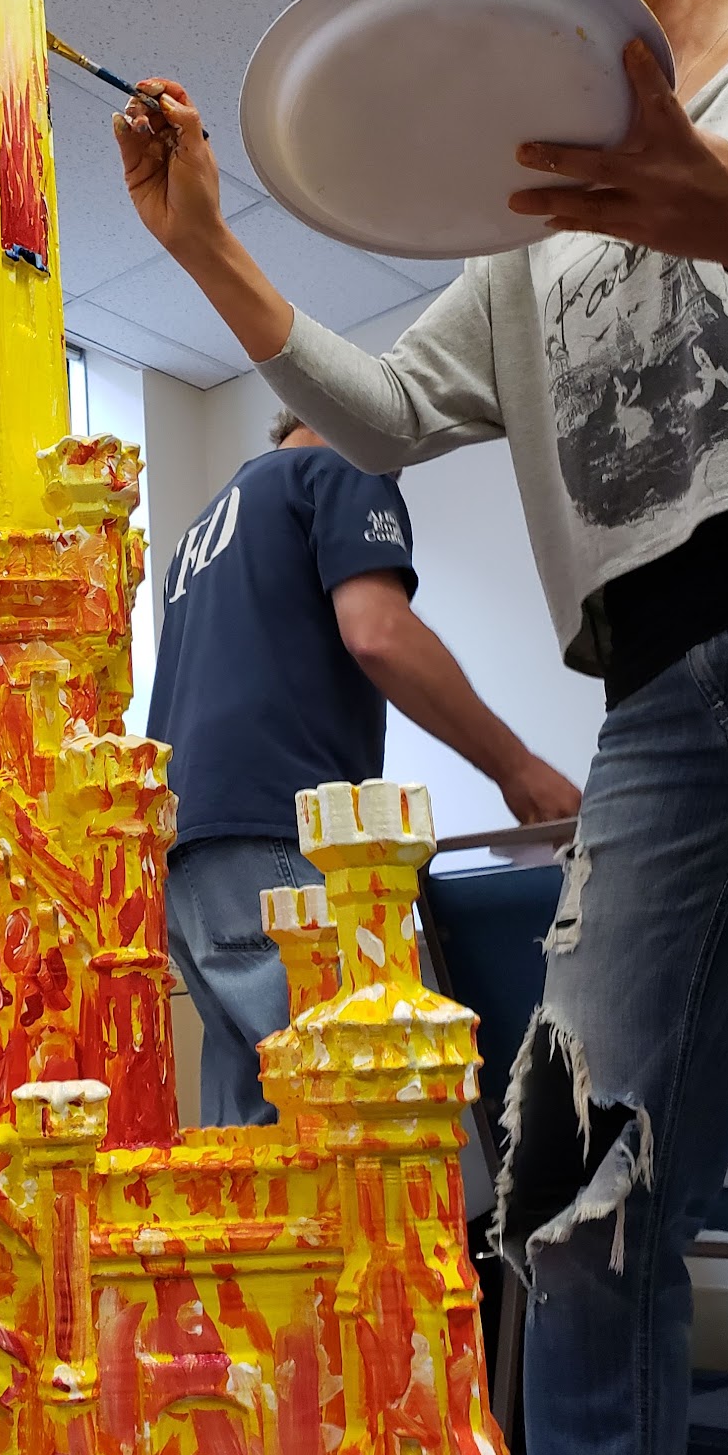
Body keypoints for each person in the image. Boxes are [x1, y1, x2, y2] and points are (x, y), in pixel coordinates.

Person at [113, 0, 728, 1455]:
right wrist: (206, 243)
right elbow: (375, 409)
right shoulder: (543, 211)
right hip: (655, 693)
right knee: (572, 1195)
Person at [152, 406, 580, 1127]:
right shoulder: (343, 465)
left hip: (184, 851)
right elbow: (378, 632)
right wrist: (518, 770)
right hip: (278, 833)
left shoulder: (206, 527)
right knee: (344, 1119)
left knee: (255, 1131)